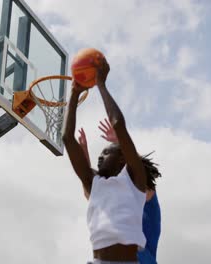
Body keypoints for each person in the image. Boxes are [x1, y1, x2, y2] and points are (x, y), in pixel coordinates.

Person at [62, 57, 154, 264]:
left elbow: (118, 124)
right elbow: (67, 138)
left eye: (106, 152)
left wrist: (101, 84)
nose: (100, 156)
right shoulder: (93, 183)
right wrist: (74, 95)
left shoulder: (135, 181)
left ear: (122, 159)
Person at [78, 119, 162, 264]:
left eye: (106, 153)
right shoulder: (110, 196)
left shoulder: (141, 189)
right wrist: (83, 155)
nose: (100, 157)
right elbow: (89, 190)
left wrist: (121, 142)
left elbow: (139, 168)